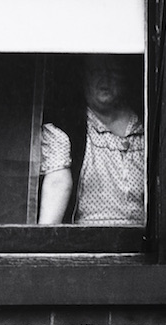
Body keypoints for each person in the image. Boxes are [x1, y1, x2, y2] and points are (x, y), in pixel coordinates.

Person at [38, 56, 145, 225]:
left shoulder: (146, 129)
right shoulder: (67, 129)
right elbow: (57, 183)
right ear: (83, 77)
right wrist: (42, 244)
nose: (105, 79)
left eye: (113, 71)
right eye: (96, 71)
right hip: (89, 243)